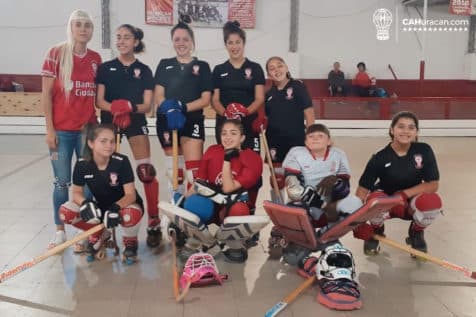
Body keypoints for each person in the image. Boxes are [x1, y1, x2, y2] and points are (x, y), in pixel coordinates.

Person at [277, 123, 363, 310]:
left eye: (320, 136)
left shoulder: (338, 154)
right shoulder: (296, 153)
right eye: (311, 136)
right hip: (304, 203)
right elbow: (292, 188)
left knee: (356, 203)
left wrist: (336, 185)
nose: (315, 138)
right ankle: (312, 243)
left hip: (329, 205)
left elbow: (345, 188)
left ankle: (325, 235)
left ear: (329, 140)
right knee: (299, 215)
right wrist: (314, 200)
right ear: (305, 141)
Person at [95, 24, 161, 248]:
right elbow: (99, 101)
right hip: (109, 123)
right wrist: (116, 108)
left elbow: (147, 105)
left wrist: (129, 107)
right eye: (119, 37)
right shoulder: (105, 68)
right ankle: (103, 224)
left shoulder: (144, 70)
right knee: (106, 174)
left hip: (135, 122)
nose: (122, 41)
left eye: (127, 38)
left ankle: (153, 221)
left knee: (146, 171)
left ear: (135, 42)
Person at [41, 10, 102, 249]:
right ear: (71, 27)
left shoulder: (96, 58)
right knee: (62, 182)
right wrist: (49, 129)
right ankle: (59, 231)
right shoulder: (55, 54)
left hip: (88, 130)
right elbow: (45, 95)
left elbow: (100, 94)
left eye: (87, 25)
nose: (83, 29)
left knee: (87, 182)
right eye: (78, 25)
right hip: (62, 131)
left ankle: (85, 231)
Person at [355, 111, 442, 255]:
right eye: (401, 127)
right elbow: (363, 190)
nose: (406, 131)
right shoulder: (379, 157)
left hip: (411, 202)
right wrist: (358, 222)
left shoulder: (424, 150)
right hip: (386, 202)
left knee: (432, 202)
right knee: (373, 201)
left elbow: (433, 184)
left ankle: (416, 233)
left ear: (416, 132)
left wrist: (402, 195)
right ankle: (376, 230)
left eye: (411, 127)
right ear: (391, 130)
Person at [59, 124, 143, 264]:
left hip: (125, 205)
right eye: (103, 141)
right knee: (66, 212)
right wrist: (85, 203)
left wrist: (116, 207)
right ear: (91, 143)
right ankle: (98, 233)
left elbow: (131, 195)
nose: (109, 145)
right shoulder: (82, 164)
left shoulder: (122, 161)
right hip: (101, 206)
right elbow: (77, 193)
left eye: (112, 141)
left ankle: (130, 241)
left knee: (130, 215)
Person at [181, 119, 263, 262]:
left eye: (233, 133)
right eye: (224, 133)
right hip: (212, 203)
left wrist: (226, 160)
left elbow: (228, 188)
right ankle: (200, 240)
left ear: (242, 138)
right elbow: (199, 182)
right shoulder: (213, 150)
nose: (227, 137)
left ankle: (234, 243)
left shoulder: (252, 158)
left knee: (240, 211)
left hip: (231, 205)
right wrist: (183, 206)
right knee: (193, 204)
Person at [211, 20, 265, 222]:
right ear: (226, 45)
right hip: (225, 126)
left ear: (243, 43)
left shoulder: (255, 68)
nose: (234, 46)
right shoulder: (218, 69)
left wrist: (243, 113)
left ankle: (249, 209)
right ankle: (227, 209)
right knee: (225, 166)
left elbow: (259, 98)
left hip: (248, 126)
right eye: (230, 43)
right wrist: (227, 114)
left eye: (237, 42)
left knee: (252, 168)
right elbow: (214, 100)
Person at [154, 15, 212, 197]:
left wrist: (182, 107)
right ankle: (175, 213)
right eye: (177, 39)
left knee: (193, 174)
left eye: (185, 39)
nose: (181, 43)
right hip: (167, 121)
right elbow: (159, 95)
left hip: (192, 120)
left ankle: (189, 213)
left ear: (192, 42)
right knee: (174, 173)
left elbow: (205, 99)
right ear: (172, 42)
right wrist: (169, 108)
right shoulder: (164, 64)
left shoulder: (202, 66)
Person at [265, 56, 315, 201]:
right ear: (269, 75)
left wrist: (311, 140)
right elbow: (266, 120)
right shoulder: (268, 95)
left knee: (296, 181)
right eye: (272, 68)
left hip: (296, 143)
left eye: (280, 65)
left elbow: (309, 115)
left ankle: (297, 213)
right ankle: (278, 210)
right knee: (276, 180)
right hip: (274, 144)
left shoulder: (298, 87)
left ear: (286, 68)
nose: (277, 70)